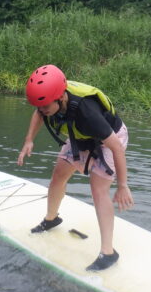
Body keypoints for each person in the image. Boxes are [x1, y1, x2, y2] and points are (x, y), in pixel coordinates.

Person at [17, 65, 133, 271]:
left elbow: (116, 148)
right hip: (80, 135)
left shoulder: (87, 114)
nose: (41, 110)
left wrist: (123, 185)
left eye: (45, 107)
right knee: (58, 175)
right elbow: (39, 113)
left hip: (110, 140)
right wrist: (28, 140)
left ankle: (108, 252)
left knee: (98, 189)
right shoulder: (49, 100)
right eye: (39, 106)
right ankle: (51, 219)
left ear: (60, 98)